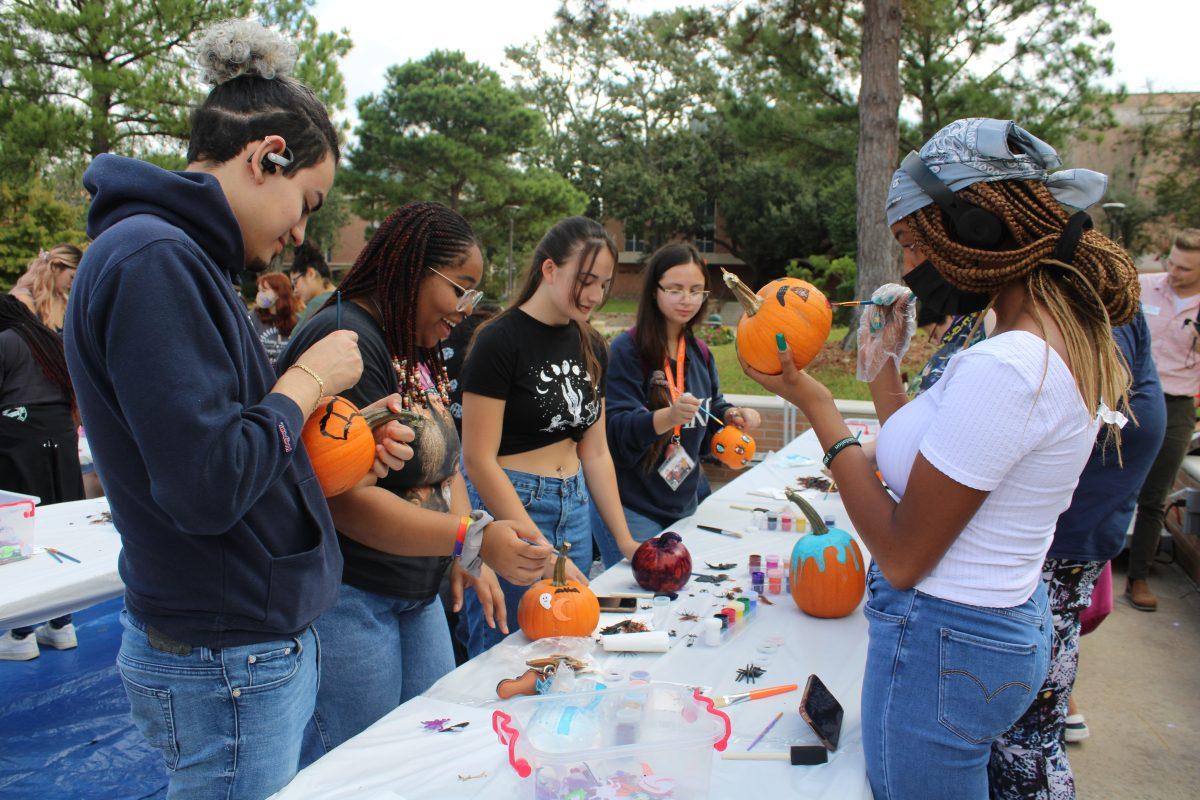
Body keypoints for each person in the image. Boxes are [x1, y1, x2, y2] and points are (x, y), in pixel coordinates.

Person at [63, 20, 411, 800]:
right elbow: (207, 484)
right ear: (266, 158)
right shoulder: (154, 261)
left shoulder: (177, 259)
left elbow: (232, 444)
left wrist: (344, 437)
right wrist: (311, 380)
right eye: (307, 202)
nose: (300, 233)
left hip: (235, 649)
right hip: (224, 657)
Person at [741, 118, 1138, 800]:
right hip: (994, 626)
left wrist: (817, 408)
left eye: (911, 244)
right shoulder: (1031, 337)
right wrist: (883, 373)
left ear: (974, 227)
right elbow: (926, 475)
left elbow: (902, 552)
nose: (905, 267)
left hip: (947, 640)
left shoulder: (1009, 366)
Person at [279, 201, 552, 761]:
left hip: (415, 593)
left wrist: (464, 555)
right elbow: (344, 502)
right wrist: (470, 538)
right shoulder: (343, 340)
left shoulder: (411, 345)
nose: (464, 309)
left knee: (429, 752)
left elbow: (446, 463)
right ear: (415, 268)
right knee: (363, 767)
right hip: (352, 599)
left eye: (475, 295)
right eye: (460, 288)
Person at [990, 310, 1164, 799]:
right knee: (1030, 723)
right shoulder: (1087, 318)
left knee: (1025, 738)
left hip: (1057, 548)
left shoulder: (1093, 325)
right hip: (1066, 542)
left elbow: (1056, 413)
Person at [459, 216, 640, 656]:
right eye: (586, 281)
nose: (595, 295)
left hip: (573, 510)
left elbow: (595, 453)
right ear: (549, 270)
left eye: (604, 284)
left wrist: (624, 541)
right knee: (504, 655)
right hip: (511, 512)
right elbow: (477, 459)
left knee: (564, 650)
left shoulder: (592, 345)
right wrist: (540, 548)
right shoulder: (498, 340)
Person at [596, 242, 760, 567]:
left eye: (696, 290)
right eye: (675, 289)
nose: (687, 299)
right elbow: (614, 430)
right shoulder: (627, 351)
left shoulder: (700, 352)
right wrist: (667, 417)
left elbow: (711, 407)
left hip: (685, 500)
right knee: (644, 603)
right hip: (633, 506)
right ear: (654, 291)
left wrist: (731, 415)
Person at [0, 295, 85, 660]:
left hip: (17, 435)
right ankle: (61, 623)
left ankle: (21, 632)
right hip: (59, 433)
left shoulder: (6, 341)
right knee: (57, 526)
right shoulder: (48, 339)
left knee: (19, 533)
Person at [1126, 228, 1200, 611]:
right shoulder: (1142, 287)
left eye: (1186, 268)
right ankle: (1085, 566)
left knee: (1154, 496)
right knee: (1103, 481)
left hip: (1176, 406)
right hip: (1128, 396)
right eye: (1172, 262)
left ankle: (1139, 576)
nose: (1174, 272)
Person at [10, 245, 81, 333]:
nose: (72, 285)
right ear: (55, 268)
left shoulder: (62, 300)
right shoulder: (22, 299)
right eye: (72, 277)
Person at [251, 271, 300, 366]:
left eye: (264, 291)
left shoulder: (298, 321)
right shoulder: (252, 318)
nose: (260, 295)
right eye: (259, 290)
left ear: (279, 292)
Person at [290, 242, 337, 330]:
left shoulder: (318, 304)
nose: (295, 291)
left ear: (310, 274)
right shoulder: (342, 296)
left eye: (295, 282)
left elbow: (295, 341)